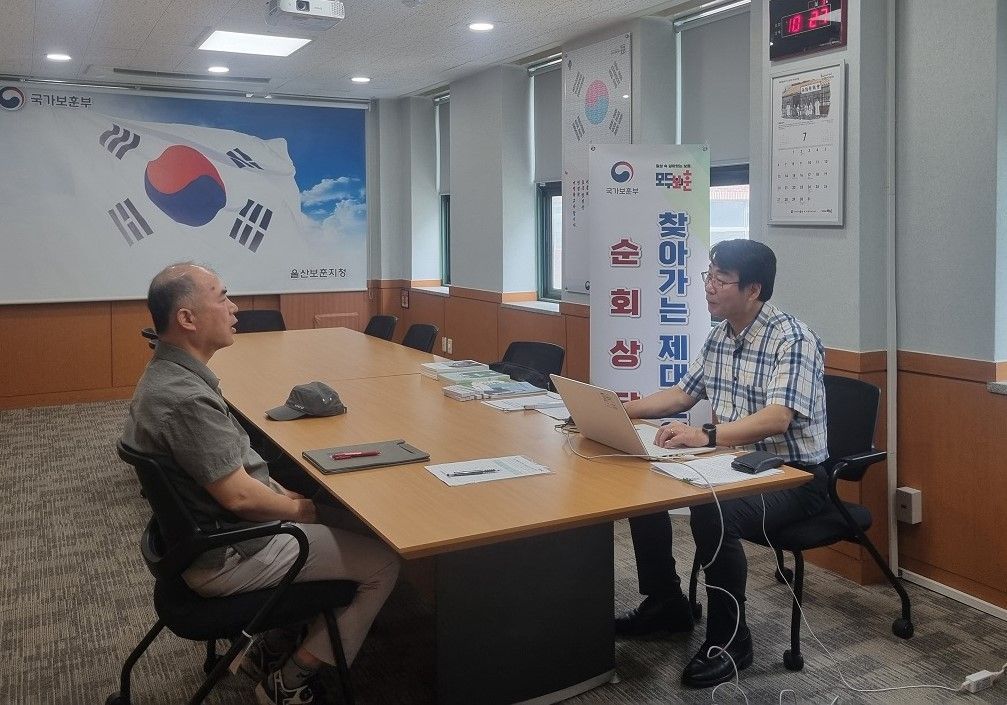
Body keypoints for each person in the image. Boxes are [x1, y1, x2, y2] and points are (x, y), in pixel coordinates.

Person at [122, 262, 400, 705]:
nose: (234, 308)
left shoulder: (170, 377)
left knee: (353, 521)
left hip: (208, 537)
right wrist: (301, 509)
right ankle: (289, 681)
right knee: (386, 561)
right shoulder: (185, 399)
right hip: (232, 551)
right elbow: (238, 497)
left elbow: (234, 474)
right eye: (222, 297)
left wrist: (283, 493)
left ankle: (271, 646)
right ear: (187, 318)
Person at [619, 239, 828, 689]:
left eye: (721, 279)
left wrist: (706, 436)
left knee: (714, 509)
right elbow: (682, 394)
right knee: (643, 484)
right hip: (734, 465)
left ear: (753, 289)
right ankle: (666, 603)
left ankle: (731, 639)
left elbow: (778, 417)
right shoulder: (720, 336)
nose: (709, 287)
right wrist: (619, 411)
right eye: (708, 276)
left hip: (794, 477)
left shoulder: (792, 339)